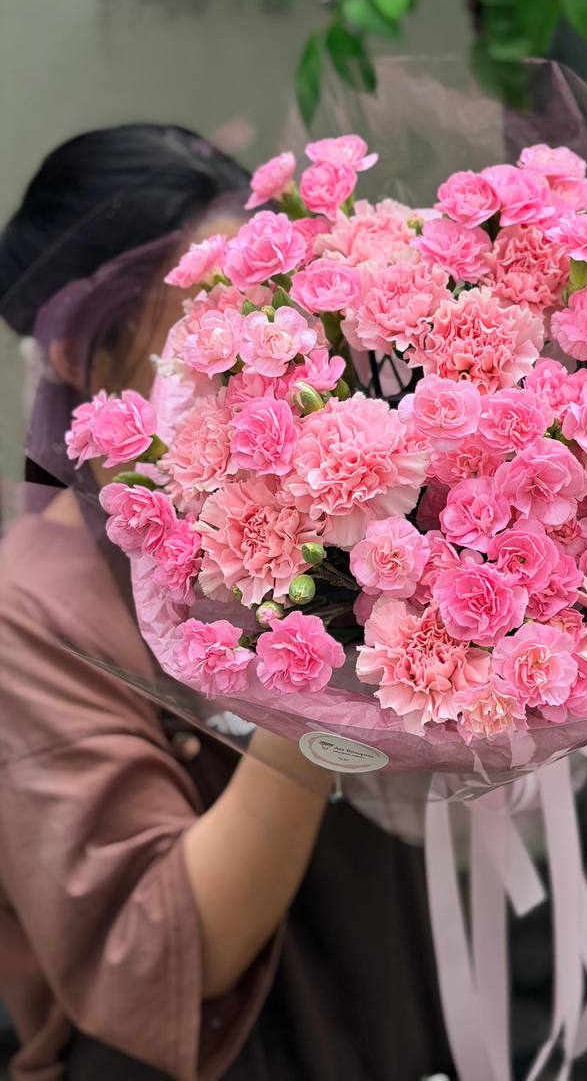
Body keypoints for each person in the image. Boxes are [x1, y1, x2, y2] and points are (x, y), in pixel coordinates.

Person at [0, 125, 452, 1080]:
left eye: (259, 297)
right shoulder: (28, 613)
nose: (247, 344)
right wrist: (317, 658)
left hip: (383, 1006)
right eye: (200, 315)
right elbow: (171, 952)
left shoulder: (331, 513)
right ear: (84, 355)